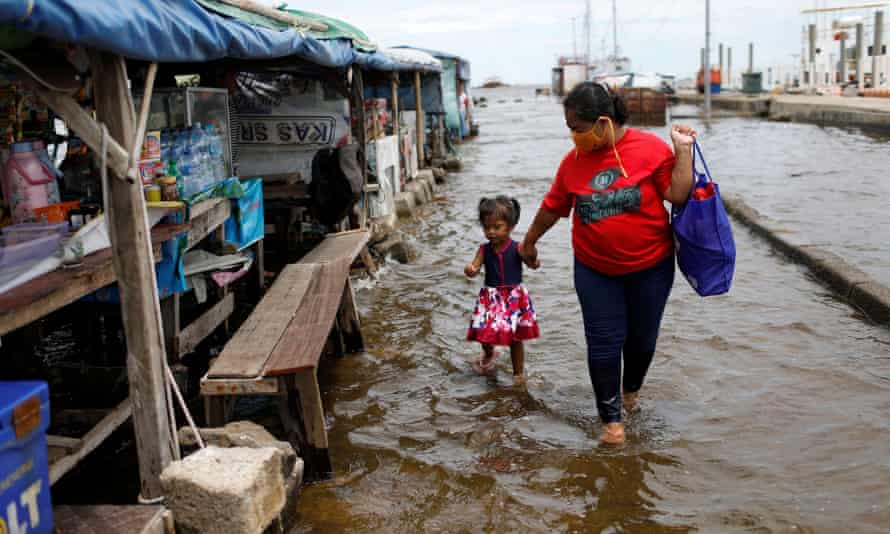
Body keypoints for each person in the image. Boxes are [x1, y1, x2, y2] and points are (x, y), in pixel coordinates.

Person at [519, 81, 696, 445]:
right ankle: (611, 423)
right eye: (570, 129)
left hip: (651, 268)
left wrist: (683, 152)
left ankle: (630, 392)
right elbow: (553, 207)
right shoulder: (572, 163)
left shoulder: (649, 149)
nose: (573, 136)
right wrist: (529, 241)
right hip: (595, 271)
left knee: (642, 342)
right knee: (603, 343)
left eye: (578, 128)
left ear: (603, 122)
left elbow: (678, 194)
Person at [465, 196, 540, 385]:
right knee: (484, 334)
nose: (491, 232)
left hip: (514, 298)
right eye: (486, 227)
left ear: (510, 226)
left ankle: (518, 374)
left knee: (515, 338)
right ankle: (489, 352)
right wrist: (471, 270)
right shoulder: (484, 250)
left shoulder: (518, 248)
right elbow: (475, 267)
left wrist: (533, 259)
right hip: (491, 298)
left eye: (497, 227)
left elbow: (532, 264)